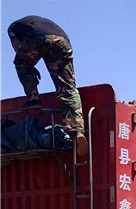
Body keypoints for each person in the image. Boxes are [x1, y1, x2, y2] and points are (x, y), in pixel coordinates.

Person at [7, 15, 87, 156]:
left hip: (37, 36)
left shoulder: (12, 28)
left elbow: (17, 48)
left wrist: (28, 65)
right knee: (67, 87)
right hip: (62, 40)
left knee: (20, 63)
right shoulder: (34, 21)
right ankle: (78, 131)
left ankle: (33, 99)